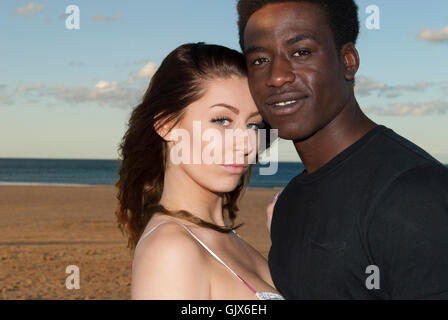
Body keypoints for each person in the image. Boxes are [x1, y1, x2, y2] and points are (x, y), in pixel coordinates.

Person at [237, 0, 448, 299]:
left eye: (301, 52)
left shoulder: (414, 194)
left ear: (348, 60)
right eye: (259, 60)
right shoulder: (290, 202)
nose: (277, 76)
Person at [115, 42, 284, 300]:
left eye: (253, 125)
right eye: (223, 120)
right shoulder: (171, 250)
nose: (248, 143)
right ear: (167, 125)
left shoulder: (226, 239)